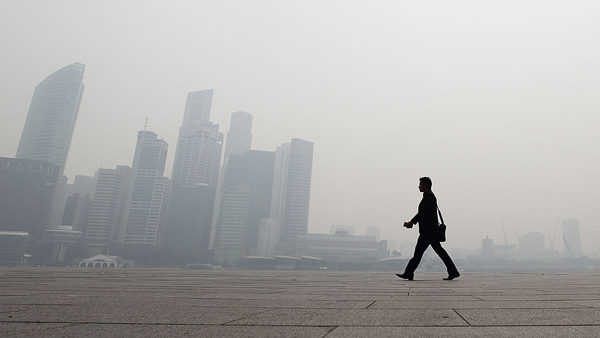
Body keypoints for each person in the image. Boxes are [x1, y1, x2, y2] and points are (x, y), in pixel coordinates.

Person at [396, 177, 460, 281]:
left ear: (426, 185)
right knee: (427, 252)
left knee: (425, 253)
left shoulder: (429, 196)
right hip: (428, 231)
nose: (419, 186)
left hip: (429, 232)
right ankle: (409, 273)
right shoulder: (428, 196)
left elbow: (423, 213)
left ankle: (409, 273)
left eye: (420, 184)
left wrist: (411, 222)